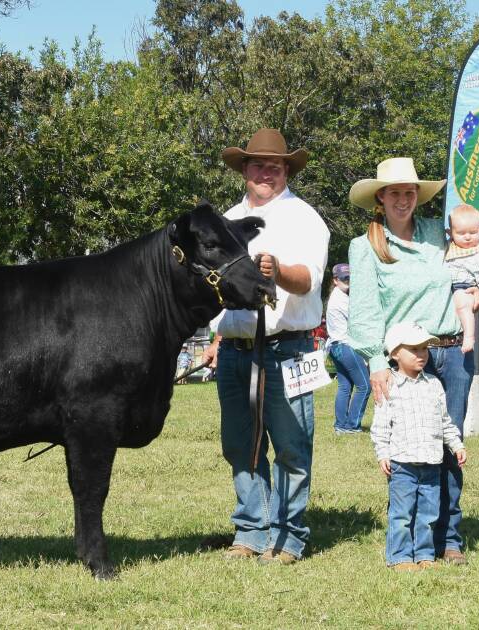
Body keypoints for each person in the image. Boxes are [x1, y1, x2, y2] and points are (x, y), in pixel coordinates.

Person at [201, 128, 330, 566]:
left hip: (288, 348)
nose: (266, 173)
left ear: (287, 171)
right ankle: (251, 529)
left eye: (275, 166)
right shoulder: (224, 221)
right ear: (244, 170)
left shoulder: (305, 218)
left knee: (292, 446)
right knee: (241, 445)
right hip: (237, 348)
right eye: (258, 165)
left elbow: (309, 278)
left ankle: (290, 536)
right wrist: (219, 338)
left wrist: (276, 272)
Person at [347, 156, 473, 565]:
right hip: (401, 359)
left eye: (409, 192)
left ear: (417, 196)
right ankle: (406, 537)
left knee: (447, 446)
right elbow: (364, 309)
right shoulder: (366, 246)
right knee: (405, 449)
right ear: (380, 198)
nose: (402, 199)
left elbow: (475, 241)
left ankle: (447, 538)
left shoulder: (439, 233)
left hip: (450, 351)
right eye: (394, 192)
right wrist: (375, 361)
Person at [370, 322, 467, 572]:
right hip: (403, 464)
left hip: (432, 464)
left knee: (428, 514)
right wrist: (383, 454)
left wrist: (456, 445)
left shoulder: (433, 384)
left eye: (424, 348)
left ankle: (425, 555)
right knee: (402, 515)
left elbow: (445, 421)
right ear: (394, 354)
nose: (422, 354)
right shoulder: (389, 385)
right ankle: (400, 556)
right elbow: (380, 426)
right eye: (414, 349)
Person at [325, 263, 370, 434]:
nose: (349, 281)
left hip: (336, 346)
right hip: (345, 346)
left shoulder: (338, 296)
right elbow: (358, 320)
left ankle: (340, 425)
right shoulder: (340, 299)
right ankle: (352, 425)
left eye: (351, 277)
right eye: (345, 278)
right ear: (335, 280)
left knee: (345, 386)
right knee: (364, 386)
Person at [444, 204, 479, 354]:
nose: (467, 237)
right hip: (449, 288)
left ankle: (469, 336)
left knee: (462, 304)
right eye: (461, 233)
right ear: (450, 232)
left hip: (465, 288)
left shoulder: (478, 254)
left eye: (473, 232)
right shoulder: (449, 247)